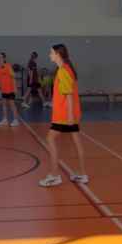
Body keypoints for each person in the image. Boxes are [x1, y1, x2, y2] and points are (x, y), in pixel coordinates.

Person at [39, 44, 88, 187]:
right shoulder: (66, 69)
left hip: (64, 115)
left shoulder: (63, 71)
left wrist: (70, 117)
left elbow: (69, 95)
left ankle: (54, 176)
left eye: (51, 52)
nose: (49, 55)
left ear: (58, 54)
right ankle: (82, 174)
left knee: (50, 139)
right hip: (69, 113)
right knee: (76, 142)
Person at [0, 52, 20, 127]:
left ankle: (16, 120)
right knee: (4, 104)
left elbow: (13, 77)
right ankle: (5, 120)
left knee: (12, 104)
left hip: (10, 89)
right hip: (3, 89)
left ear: (4, 58)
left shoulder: (8, 66)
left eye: (1, 57)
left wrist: (15, 88)